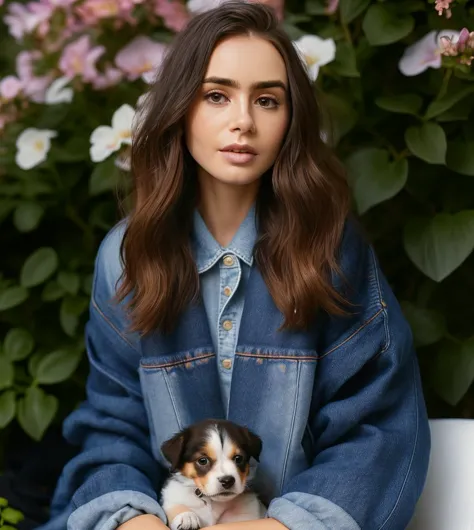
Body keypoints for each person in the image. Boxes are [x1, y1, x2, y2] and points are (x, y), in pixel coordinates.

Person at [38, 2, 431, 529]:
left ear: (291, 119)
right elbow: (113, 426)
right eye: (217, 96)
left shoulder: (331, 251)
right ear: (180, 108)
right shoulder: (128, 255)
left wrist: (279, 525)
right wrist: (133, 519)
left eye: (267, 100)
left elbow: (379, 427)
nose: (243, 121)